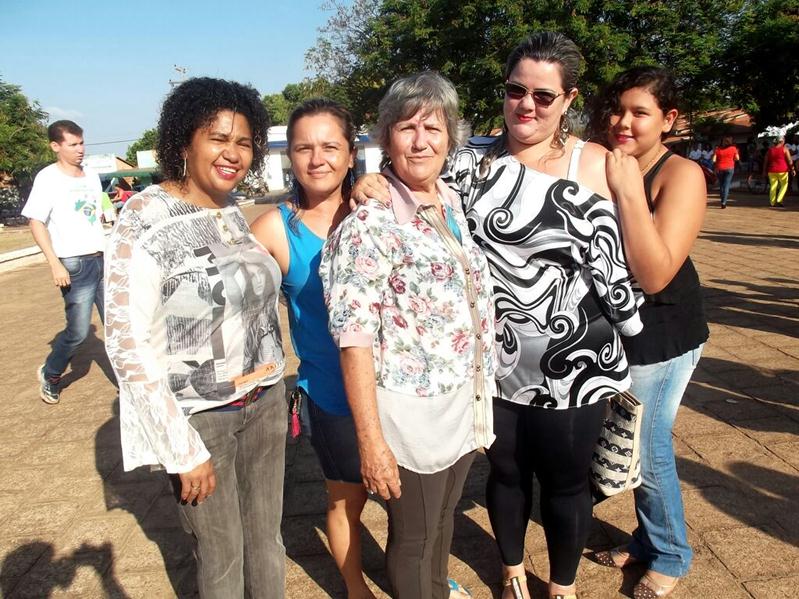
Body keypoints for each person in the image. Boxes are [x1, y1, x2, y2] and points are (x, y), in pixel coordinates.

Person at [352, 34, 643, 599]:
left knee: (566, 484)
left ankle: (562, 585)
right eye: (516, 90)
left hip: (577, 363)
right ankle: (511, 570)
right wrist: (367, 181)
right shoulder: (471, 161)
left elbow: (632, 266)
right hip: (493, 365)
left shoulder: (595, 164)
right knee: (505, 474)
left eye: (543, 95)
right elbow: (412, 173)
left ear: (568, 99)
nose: (527, 104)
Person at [104, 77, 287, 598]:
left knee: (267, 542)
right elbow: (127, 344)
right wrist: (180, 449)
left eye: (244, 142)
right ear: (184, 141)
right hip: (202, 419)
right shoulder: (144, 218)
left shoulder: (230, 211)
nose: (233, 153)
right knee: (222, 557)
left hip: (265, 402)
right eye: (218, 138)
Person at [320, 71, 496, 599]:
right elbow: (353, 339)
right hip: (412, 419)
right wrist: (371, 442)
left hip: (461, 404)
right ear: (385, 138)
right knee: (415, 538)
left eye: (433, 128)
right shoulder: (369, 223)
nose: (420, 141)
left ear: (451, 137)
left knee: (441, 523)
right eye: (406, 128)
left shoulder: (451, 201)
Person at [588, 66, 709, 599]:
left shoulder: (680, 174)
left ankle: (671, 554)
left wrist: (628, 190)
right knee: (622, 438)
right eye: (617, 110)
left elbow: (656, 273)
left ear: (668, 119)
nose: (623, 122)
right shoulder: (602, 161)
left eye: (640, 112)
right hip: (613, 327)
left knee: (646, 442)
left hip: (664, 329)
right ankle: (646, 539)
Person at [250, 99, 376, 599]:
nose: (317, 159)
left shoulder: (380, 206)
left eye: (330, 146)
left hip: (402, 388)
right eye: (304, 148)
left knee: (412, 502)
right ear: (290, 156)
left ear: (351, 154)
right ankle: (356, 588)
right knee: (347, 502)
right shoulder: (274, 229)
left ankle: (417, 576)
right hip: (332, 394)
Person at [21, 120, 105, 405]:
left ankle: (131, 386)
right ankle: (51, 373)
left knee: (118, 327)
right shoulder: (48, 178)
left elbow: (95, 217)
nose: (80, 149)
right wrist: (54, 263)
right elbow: (36, 222)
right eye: (73, 144)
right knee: (78, 332)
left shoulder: (91, 175)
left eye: (81, 143)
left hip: (102, 259)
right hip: (74, 265)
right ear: (55, 146)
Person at [762, 136, 794, 207]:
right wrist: (793, 169)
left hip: (771, 171)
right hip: (783, 170)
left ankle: (772, 203)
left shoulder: (770, 150)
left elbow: (765, 161)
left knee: (773, 186)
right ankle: (779, 199)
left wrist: (764, 171)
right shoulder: (785, 149)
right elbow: (789, 160)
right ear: (782, 142)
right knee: (784, 185)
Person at [713, 136, 739, 208]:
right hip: (729, 168)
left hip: (719, 169)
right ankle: (724, 202)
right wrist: (732, 160)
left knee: (721, 185)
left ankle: (722, 200)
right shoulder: (733, 148)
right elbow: (737, 158)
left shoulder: (718, 149)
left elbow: (714, 159)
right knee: (726, 185)